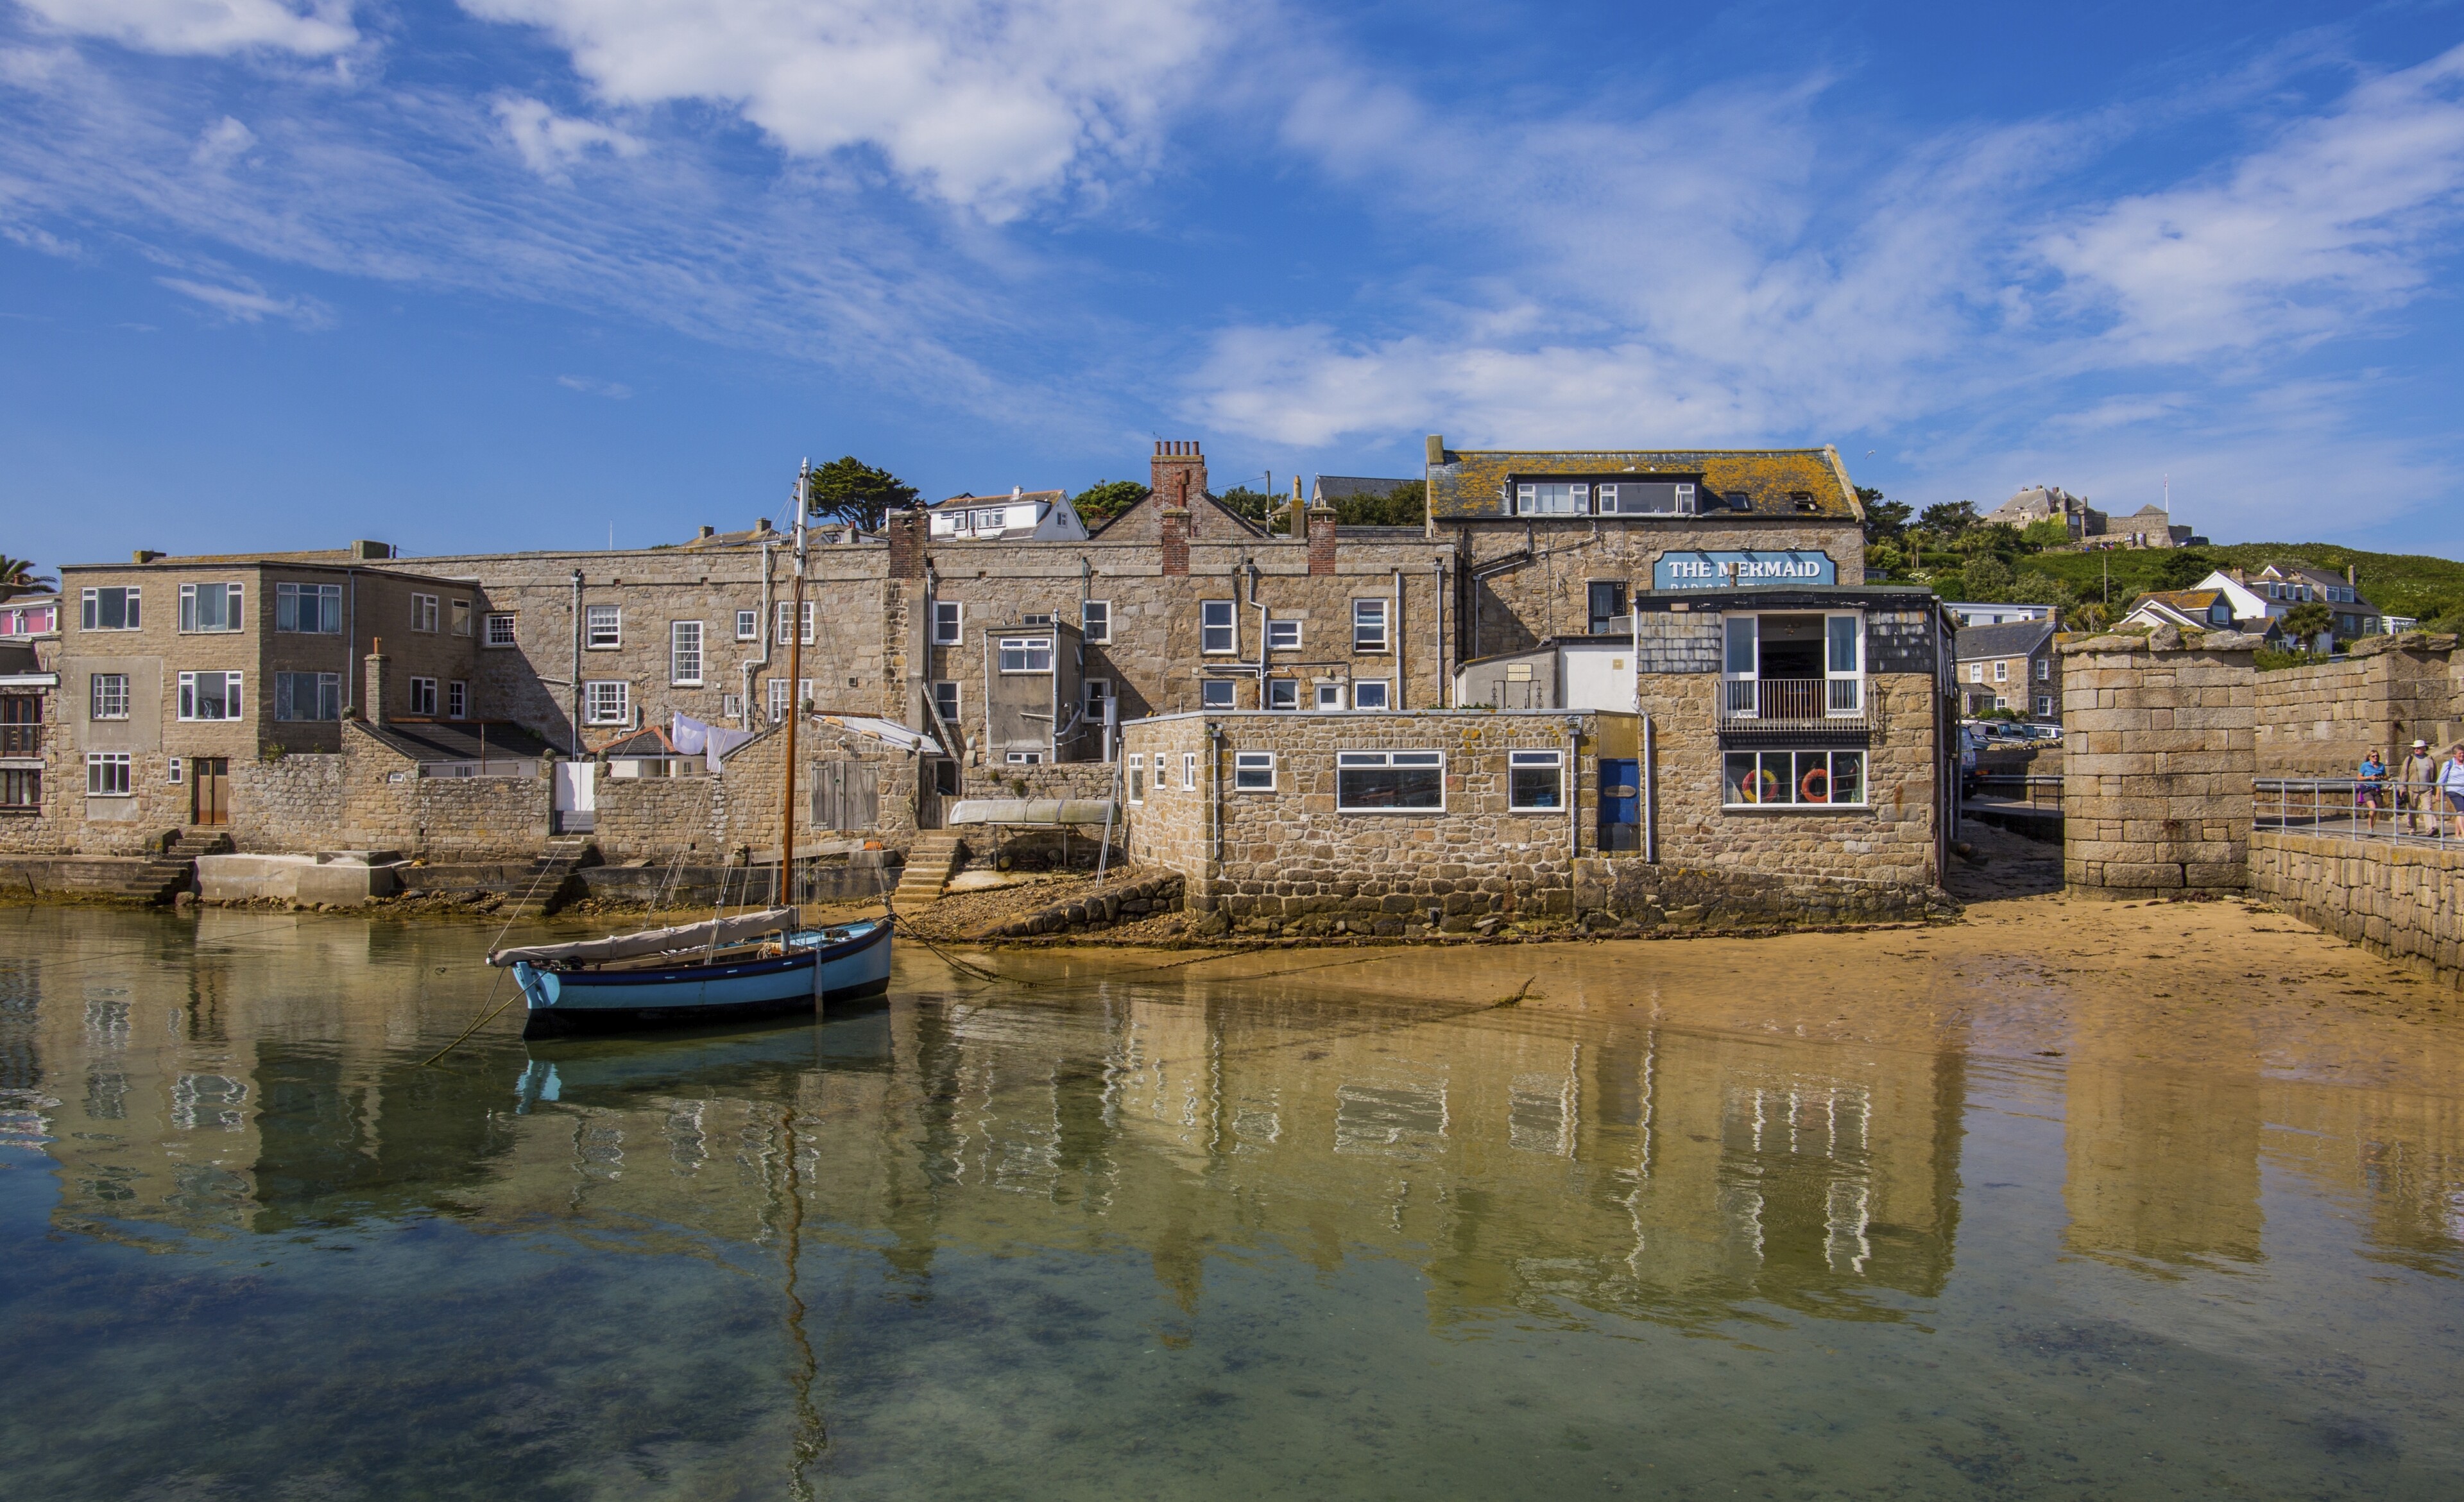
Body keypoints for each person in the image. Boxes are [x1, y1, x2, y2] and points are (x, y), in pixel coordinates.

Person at [2400, 738, 2439, 835]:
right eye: (2415, 748)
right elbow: (2404, 774)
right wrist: (2402, 788)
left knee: (2427, 808)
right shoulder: (2409, 759)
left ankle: (2431, 829)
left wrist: (2434, 786)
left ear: (2424, 748)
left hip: (2426, 788)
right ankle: (2411, 828)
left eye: (2418, 748)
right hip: (2412, 788)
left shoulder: (2429, 759)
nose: (2416, 750)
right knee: (2412, 809)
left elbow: (2434, 773)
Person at [2356, 749, 2388, 830]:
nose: (2375, 757)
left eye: (2377, 756)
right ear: (2369, 757)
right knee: (2373, 808)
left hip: (2377, 789)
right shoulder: (2365, 765)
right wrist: (2369, 777)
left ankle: (2371, 828)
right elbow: (2359, 778)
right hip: (2367, 788)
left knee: (2375, 810)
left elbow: (2386, 777)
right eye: (2373, 756)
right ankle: (2370, 829)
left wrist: (2381, 777)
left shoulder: (2381, 766)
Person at [2441, 745, 2464, 839]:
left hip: (2463, 790)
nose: (2462, 755)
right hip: (2453, 790)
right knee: (2461, 811)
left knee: (2461, 812)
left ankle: (2457, 835)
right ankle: (2463, 833)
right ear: (2454, 755)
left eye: (2463, 753)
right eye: (2460, 753)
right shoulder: (2449, 764)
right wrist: (2438, 794)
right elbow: (2441, 780)